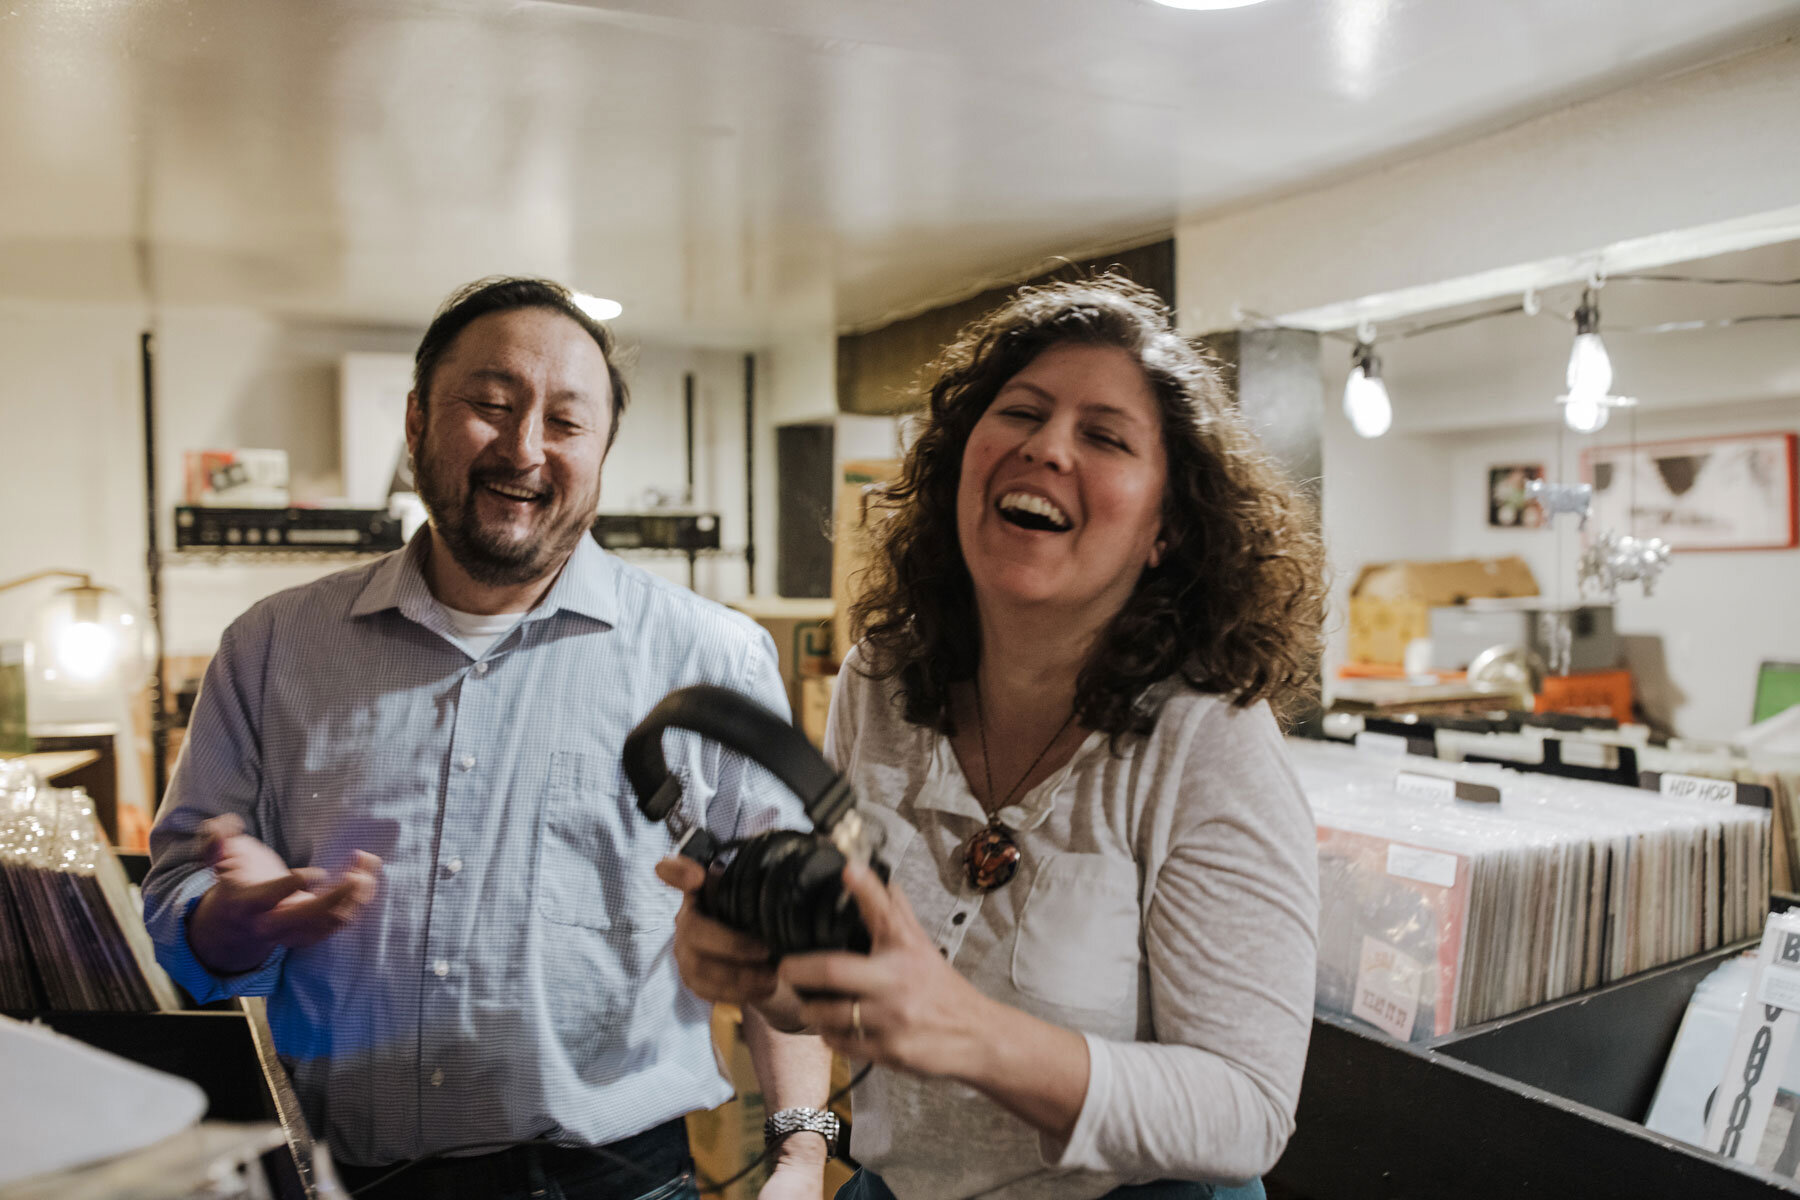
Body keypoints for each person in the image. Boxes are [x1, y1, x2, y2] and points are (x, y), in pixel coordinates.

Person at [144, 277, 834, 1200]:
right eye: (492, 405)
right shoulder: (274, 648)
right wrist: (227, 922)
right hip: (349, 1176)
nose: (524, 449)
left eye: (565, 421)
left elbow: (783, 925)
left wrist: (801, 1150)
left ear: (602, 450)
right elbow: (180, 893)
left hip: (618, 1180)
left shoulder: (709, 658)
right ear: (418, 418)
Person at [661, 276, 1324, 1200]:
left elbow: (1248, 1109)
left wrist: (971, 1032)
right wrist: (764, 977)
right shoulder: (883, 681)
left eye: (1104, 435)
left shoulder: (1206, 741)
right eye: (1021, 412)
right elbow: (861, 996)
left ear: (1166, 527)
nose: (1047, 447)